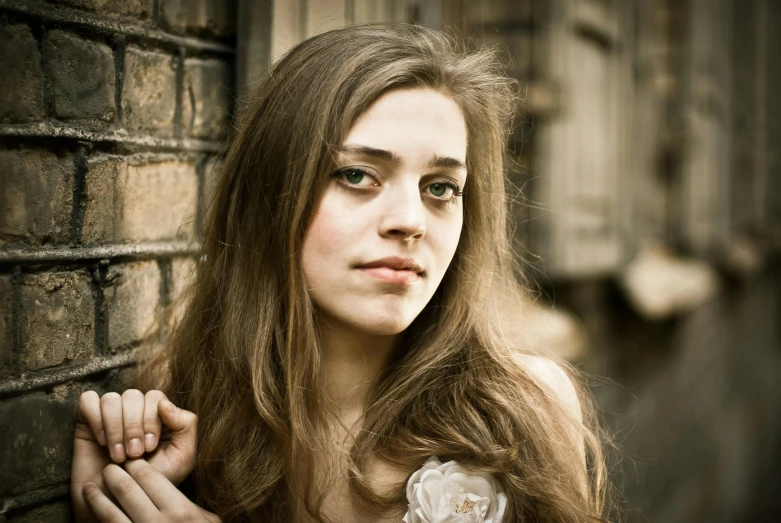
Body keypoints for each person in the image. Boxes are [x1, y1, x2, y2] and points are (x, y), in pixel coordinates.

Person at [70, 23, 610, 523]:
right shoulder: (186, 399)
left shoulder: (526, 406)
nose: (409, 222)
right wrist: (115, 490)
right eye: (357, 175)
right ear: (271, 194)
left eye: (441, 188)